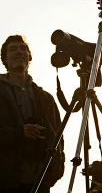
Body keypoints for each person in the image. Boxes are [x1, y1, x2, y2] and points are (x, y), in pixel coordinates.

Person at [0, 35, 64, 193]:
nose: (19, 52)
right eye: (13, 49)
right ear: (4, 58)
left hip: (40, 180)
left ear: (29, 57)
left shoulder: (46, 98)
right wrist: (19, 133)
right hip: (6, 181)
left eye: (23, 48)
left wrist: (55, 169)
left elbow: (58, 137)